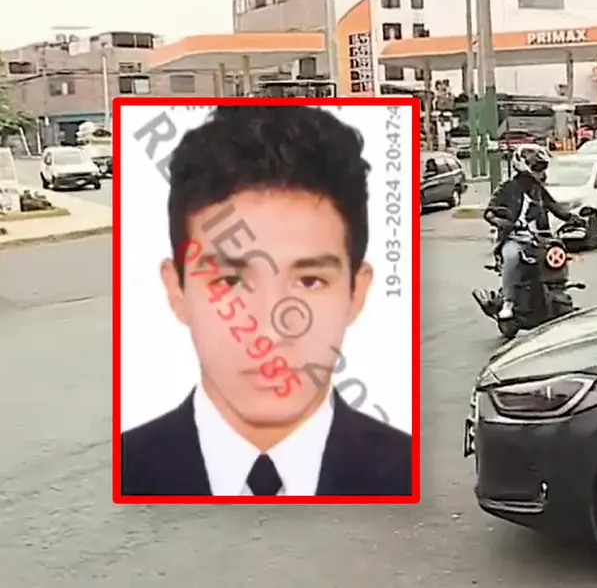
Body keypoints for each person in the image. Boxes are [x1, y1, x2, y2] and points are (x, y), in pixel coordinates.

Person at [120, 106, 412, 497]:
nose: (270, 330)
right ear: (177, 291)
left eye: (309, 281)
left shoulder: (404, 472)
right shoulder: (126, 470)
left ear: (355, 293)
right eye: (230, 281)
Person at [483, 146, 583, 319]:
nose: (542, 172)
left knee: (557, 255)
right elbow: (489, 211)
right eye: (538, 167)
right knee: (511, 257)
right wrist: (502, 221)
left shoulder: (538, 189)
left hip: (540, 238)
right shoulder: (507, 188)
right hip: (515, 238)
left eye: (543, 167)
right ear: (523, 166)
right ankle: (508, 301)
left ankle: (558, 290)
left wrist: (573, 218)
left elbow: (554, 206)